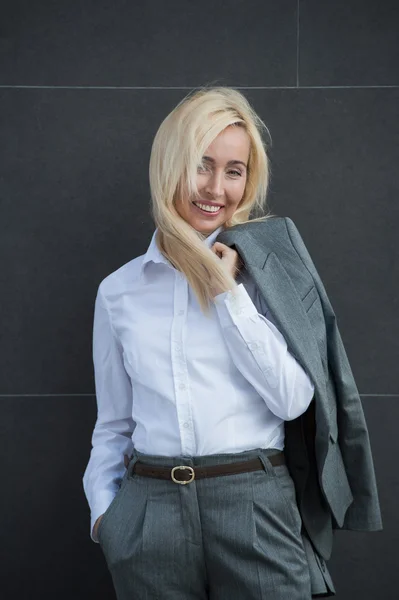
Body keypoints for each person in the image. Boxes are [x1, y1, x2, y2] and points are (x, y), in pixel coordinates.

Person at [82, 87, 381, 599]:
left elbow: (293, 400)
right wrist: (106, 518)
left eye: (234, 171)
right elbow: (113, 425)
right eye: (201, 165)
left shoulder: (268, 275)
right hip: (149, 517)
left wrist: (229, 297)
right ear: (169, 165)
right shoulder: (119, 291)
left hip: (254, 505)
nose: (216, 188)